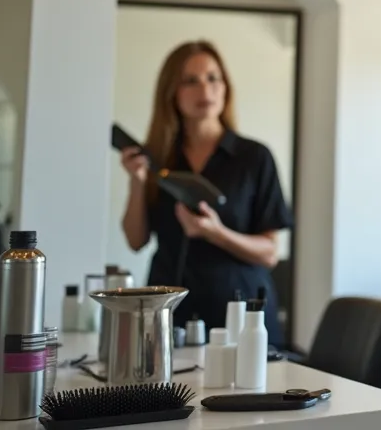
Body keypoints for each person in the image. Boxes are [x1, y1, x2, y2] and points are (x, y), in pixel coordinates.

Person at [119, 40, 292, 344]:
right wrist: (137, 180)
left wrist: (216, 233)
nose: (205, 90)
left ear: (226, 86)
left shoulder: (253, 157)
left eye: (213, 78)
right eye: (191, 81)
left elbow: (269, 252)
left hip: (239, 315)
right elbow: (136, 240)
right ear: (172, 92)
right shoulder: (158, 158)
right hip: (168, 311)